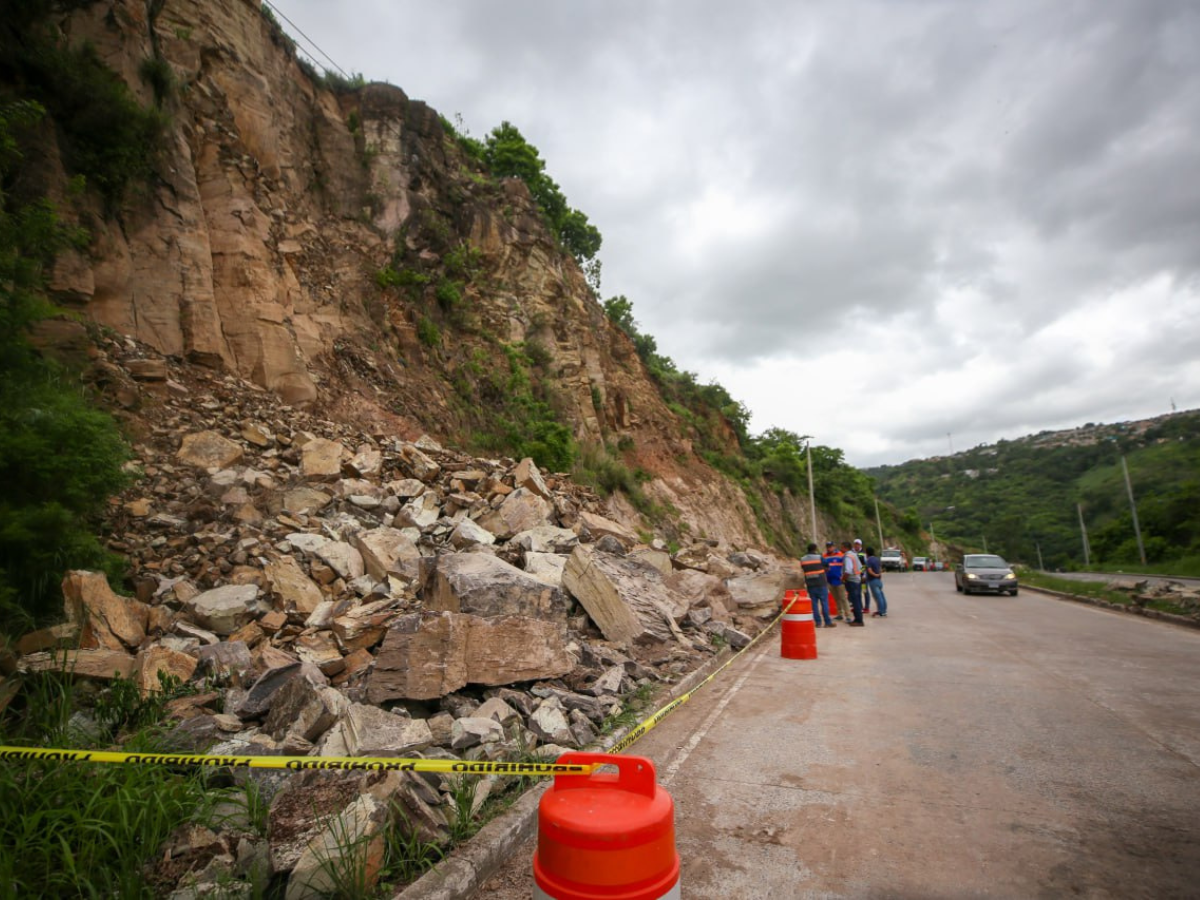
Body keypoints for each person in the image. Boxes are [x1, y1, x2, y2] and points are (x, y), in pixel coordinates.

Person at [801, 542, 835, 627]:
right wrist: (824, 569)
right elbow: (827, 565)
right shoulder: (819, 557)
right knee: (824, 603)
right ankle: (827, 622)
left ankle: (818, 623)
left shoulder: (803, 559)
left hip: (810, 584)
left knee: (814, 604)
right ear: (815, 549)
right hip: (821, 583)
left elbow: (804, 568)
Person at [840, 540, 865, 626]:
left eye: (842, 547)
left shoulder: (847, 557)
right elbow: (861, 567)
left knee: (855, 601)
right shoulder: (854, 555)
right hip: (857, 580)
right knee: (857, 600)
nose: (841, 548)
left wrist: (843, 579)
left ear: (845, 548)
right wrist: (860, 576)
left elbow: (848, 571)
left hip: (852, 581)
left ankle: (858, 621)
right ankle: (859, 619)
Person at [823, 541, 848, 620]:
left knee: (843, 598)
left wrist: (844, 577)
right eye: (827, 546)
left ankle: (848, 616)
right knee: (836, 599)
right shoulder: (824, 556)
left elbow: (846, 567)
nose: (829, 548)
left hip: (839, 580)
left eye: (830, 546)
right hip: (830, 581)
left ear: (834, 547)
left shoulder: (841, 555)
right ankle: (840, 614)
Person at [864, 545, 889, 617]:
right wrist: (879, 574)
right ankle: (884, 609)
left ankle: (881, 611)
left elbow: (869, 570)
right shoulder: (877, 559)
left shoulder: (868, 560)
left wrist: (875, 575)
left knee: (877, 596)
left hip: (873, 580)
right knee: (881, 595)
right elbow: (880, 568)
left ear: (867, 553)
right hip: (878, 580)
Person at [853, 538, 869, 613]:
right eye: (855, 544)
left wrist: (863, 575)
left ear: (860, 545)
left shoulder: (862, 553)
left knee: (864, 591)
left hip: (862, 577)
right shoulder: (852, 552)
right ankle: (859, 606)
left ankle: (866, 607)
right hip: (855, 576)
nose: (856, 545)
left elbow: (864, 565)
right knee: (857, 592)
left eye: (858, 544)